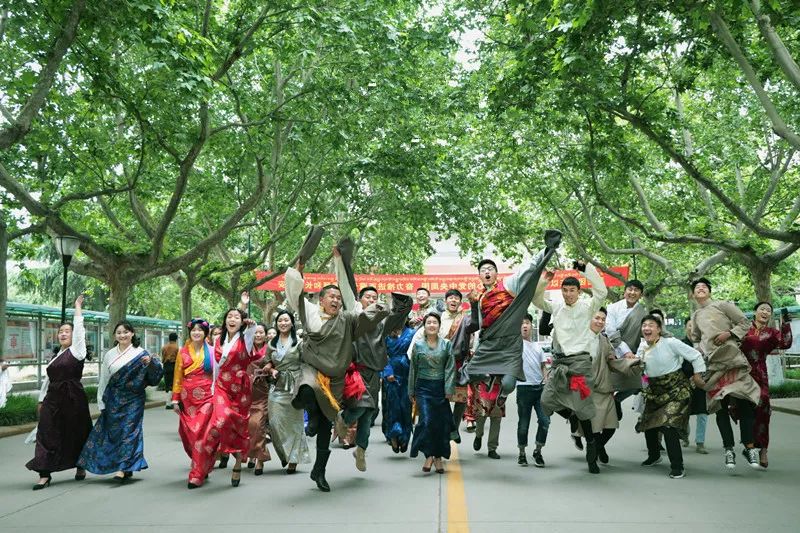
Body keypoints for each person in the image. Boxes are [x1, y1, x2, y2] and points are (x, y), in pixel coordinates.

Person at [285, 260, 389, 492]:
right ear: (320, 300)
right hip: (312, 371)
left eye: (338, 298)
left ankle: (319, 471)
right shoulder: (309, 312)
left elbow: (366, 312)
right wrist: (297, 274)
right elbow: (295, 293)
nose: (335, 300)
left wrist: (378, 305)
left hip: (335, 380)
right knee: (307, 388)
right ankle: (312, 415)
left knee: (325, 428)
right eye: (331, 296)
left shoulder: (347, 319)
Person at [332, 241, 412, 472]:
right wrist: (339, 261)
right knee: (362, 406)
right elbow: (346, 286)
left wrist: (400, 300)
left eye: (374, 297)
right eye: (367, 296)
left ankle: (361, 450)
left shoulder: (382, 322)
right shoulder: (355, 313)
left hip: (374, 373)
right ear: (360, 300)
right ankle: (343, 419)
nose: (371, 300)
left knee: (369, 412)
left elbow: (401, 313)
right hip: (355, 371)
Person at [460, 230, 561, 408]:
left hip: (511, 344)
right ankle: (489, 378)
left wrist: (547, 249)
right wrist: (474, 305)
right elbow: (477, 324)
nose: (487, 272)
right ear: (480, 276)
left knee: (508, 384)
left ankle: (503, 393)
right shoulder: (480, 297)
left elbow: (528, 268)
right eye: (483, 270)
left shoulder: (507, 285)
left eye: (490, 269)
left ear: (496, 273)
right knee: (470, 374)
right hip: (489, 343)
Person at [536, 260, 607, 474]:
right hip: (560, 364)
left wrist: (585, 269)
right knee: (546, 400)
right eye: (565, 290)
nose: (568, 294)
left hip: (580, 365)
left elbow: (602, 291)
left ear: (578, 291)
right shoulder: (556, 307)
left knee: (583, 408)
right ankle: (572, 416)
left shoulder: (588, 307)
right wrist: (544, 280)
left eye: (572, 290)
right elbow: (536, 299)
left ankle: (591, 448)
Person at [688, 278, 761, 469]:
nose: (701, 288)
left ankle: (750, 447)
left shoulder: (723, 305)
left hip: (733, 361)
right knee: (721, 408)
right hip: (714, 366)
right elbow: (696, 339)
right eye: (697, 287)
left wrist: (728, 334)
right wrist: (699, 356)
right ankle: (728, 449)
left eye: (704, 286)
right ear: (692, 294)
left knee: (744, 402)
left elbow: (745, 323)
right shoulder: (695, 315)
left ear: (709, 291)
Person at [77, 321, 164, 482]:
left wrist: (151, 363)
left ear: (132, 333)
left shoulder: (141, 353)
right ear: (114, 335)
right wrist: (101, 401)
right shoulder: (109, 354)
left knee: (129, 432)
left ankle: (123, 468)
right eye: (119, 333)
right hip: (113, 399)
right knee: (113, 433)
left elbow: (155, 377)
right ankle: (125, 465)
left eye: (125, 332)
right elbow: (104, 379)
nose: (122, 335)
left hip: (134, 399)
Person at [26, 295, 92, 490]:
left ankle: (80, 465)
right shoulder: (55, 357)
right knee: (46, 432)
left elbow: (79, 328)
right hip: (53, 399)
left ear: (74, 335)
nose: (63, 334)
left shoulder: (78, 350)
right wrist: (41, 400)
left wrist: (77, 307)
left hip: (73, 398)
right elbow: (48, 381)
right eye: (60, 331)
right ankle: (44, 473)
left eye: (67, 331)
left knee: (76, 432)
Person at [636, 315, 706, 479]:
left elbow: (695, 356)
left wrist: (698, 375)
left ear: (659, 329)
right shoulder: (642, 347)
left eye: (651, 325)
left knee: (668, 426)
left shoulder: (671, 342)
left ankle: (677, 466)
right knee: (649, 424)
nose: (647, 328)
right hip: (655, 392)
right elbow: (640, 367)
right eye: (644, 325)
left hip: (677, 390)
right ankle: (654, 455)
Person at [407, 288, 478, 443]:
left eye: (456, 298)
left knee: (460, 399)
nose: (453, 300)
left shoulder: (465, 319)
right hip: (437, 365)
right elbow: (422, 336)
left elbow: (475, 324)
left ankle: (454, 427)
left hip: (458, 364)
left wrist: (474, 305)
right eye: (450, 298)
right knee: (440, 400)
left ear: (460, 302)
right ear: (445, 301)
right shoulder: (437, 318)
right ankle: (437, 431)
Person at [201, 308, 260, 487]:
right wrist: (212, 387)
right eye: (229, 317)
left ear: (242, 322)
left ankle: (238, 462)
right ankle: (215, 457)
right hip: (221, 386)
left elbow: (252, 330)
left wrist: (252, 325)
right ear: (225, 320)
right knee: (222, 419)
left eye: (236, 317)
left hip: (240, 388)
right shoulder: (218, 339)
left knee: (239, 426)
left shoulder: (246, 338)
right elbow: (217, 366)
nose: (232, 320)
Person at [576, 308, 641, 466]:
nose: (600, 321)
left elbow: (612, 361)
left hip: (605, 390)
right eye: (597, 318)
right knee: (593, 429)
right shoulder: (579, 339)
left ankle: (598, 447)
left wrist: (630, 363)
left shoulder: (604, 340)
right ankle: (592, 460)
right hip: (587, 391)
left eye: (603, 319)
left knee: (611, 426)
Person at [740, 302, 792, 468]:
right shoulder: (743, 329)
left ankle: (763, 449)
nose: (765, 312)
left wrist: (785, 324)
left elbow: (785, 343)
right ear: (755, 312)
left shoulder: (771, 333)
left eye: (768, 310)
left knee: (763, 410)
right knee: (744, 410)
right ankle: (749, 445)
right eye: (762, 309)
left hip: (760, 374)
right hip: (741, 374)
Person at [264, 310, 310, 474]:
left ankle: (294, 459)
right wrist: (271, 369)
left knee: (295, 425)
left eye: (286, 320)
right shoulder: (272, 343)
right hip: (277, 386)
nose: (283, 323)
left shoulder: (299, 342)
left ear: (292, 323)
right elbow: (267, 361)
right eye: (280, 320)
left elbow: (307, 362)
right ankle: (284, 453)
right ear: (276, 324)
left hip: (295, 386)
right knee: (274, 423)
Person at [171, 318, 215, 489]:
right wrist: (175, 399)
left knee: (200, 435)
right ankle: (202, 463)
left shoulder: (212, 351)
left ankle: (196, 474)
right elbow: (177, 376)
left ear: (205, 333)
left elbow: (218, 374)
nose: (196, 333)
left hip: (207, 398)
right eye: (193, 330)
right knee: (188, 435)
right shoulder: (182, 352)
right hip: (187, 399)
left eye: (200, 330)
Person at [409, 313, 455, 474]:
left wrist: (449, 389)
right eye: (428, 322)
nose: (431, 325)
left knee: (439, 424)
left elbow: (450, 368)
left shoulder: (446, 344)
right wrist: (411, 390)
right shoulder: (418, 345)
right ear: (424, 326)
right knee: (426, 421)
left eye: (435, 322)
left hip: (440, 388)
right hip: (423, 388)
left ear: (439, 326)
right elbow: (413, 368)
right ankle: (428, 455)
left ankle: (437, 457)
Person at [604, 280, 647, 419]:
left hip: (631, 356)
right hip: (611, 352)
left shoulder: (642, 312)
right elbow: (611, 332)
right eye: (630, 289)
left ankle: (617, 400)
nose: (632, 293)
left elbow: (644, 335)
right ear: (624, 291)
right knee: (608, 386)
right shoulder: (612, 308)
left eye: (636, 290)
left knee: (637, 384)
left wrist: (634, 354)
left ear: (641, 294)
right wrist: (625, 351)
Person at [516, 314, 550, 467]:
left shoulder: (538, 347)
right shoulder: (516, 345)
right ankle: (522, 453)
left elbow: (543, 367)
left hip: (540, 389)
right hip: (523, 388)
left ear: (531, 326)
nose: (525, 325)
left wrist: (547, 382)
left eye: (527, 323)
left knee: (545, 421)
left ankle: (538, 451)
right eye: (522, 323)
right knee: (524, 424)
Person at [383, 323, 416, 453]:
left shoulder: (412, 333)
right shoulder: (386, 333)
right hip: (391, 374)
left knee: (406, 406)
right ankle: (393, 435)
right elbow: (382, 354)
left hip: (408, 373)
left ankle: (405, 436)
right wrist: (387, 371)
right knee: (393, 406)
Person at [246, 323, 272, 475]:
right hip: (246, 393)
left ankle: (260, 459)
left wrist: (269, 368)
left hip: (262, 392)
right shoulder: (246, 348)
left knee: (258, 425)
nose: (257, 335)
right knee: (249, 426)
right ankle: (252, 455)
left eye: (261, 332)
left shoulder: (270, 349)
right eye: (255, 333)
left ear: (266, 334)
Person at [681, 319, 709, 455]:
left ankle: (700, 442)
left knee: (702, 412)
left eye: (695, 326)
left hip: (701, 383)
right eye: (690, 325)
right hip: (685, 382)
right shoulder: (681, 344)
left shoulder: (706, 344)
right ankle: (684, 436)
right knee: (684, 412)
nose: (692, 328)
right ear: (685, 328)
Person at [161, 332, 179, 410]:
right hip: (173, 366)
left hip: (165, 366)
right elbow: (178, 359)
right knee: (173, 384)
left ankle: (167, 402)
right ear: (176, 339)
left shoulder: (164, 347)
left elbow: (162, 358)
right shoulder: (177, 347)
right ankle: (169, 403)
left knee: (167, 384)